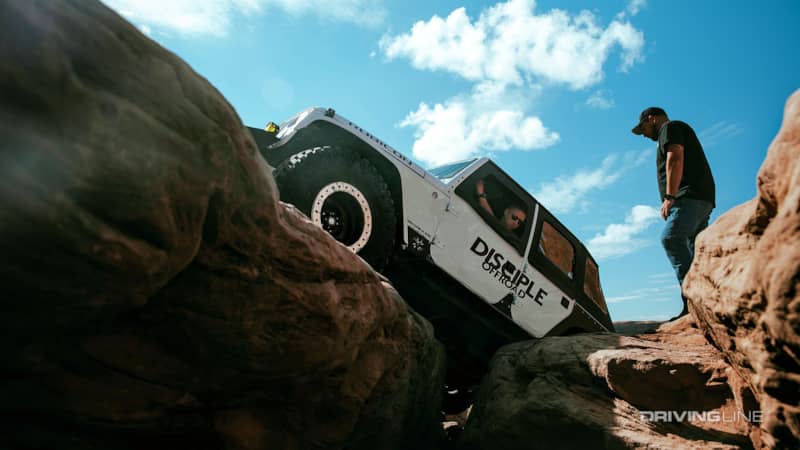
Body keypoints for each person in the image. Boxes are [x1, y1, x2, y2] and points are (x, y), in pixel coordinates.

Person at [632, 106, 715, 320]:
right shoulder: (673, 129)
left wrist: (670, 196)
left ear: (651, 119)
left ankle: (693, 302)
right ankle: (704, 305)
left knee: (671, 238)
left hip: (689, 197)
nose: (644, 136)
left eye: (644, 130)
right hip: (699, 198)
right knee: (693, 249)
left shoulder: (670, 128)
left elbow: (675, 157)